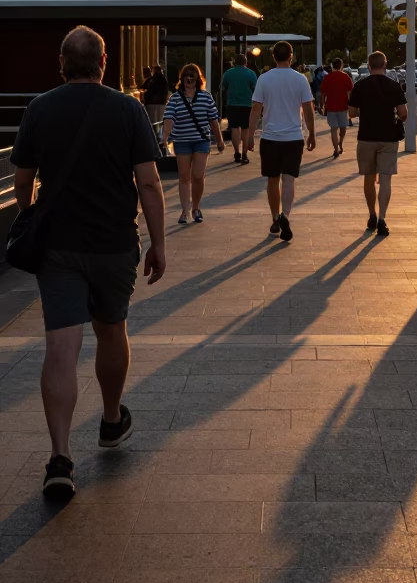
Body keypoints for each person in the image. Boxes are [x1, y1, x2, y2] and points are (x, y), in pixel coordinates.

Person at [10, 26, 166, 501]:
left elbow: (22, 180)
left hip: (58, 245)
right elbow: (149, 183)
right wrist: (159, 243)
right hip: (115, 243)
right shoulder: (128, 109)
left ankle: (60, 457)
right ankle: (112, 419)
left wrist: (30, 213)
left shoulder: (39, 108)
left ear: (62, 62)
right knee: (111, 330)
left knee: (61, 345)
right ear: (102, 63)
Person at [248, 40, 315, 242]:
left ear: (273, 57)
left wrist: (250, 134)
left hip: (270, 137)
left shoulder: (264, 79)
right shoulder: (301, 79)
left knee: (272, 179)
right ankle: (286, 214)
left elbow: (256, 109)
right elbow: (309, 108)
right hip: (293, 137)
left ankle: (275, 218)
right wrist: (311, 132)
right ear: (291, 56)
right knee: (288, 179)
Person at [348, 50, 407, 237]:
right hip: (388, 137)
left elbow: (351, 112)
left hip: (366, 136)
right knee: (386, 178)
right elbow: (403, 112)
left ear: (369, 65)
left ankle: (371, 215)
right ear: (385, 64)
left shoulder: (360, 85)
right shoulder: (393, 85)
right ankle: (382, 218)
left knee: (368, 177)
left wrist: (364, 112)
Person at [162, 64, 224, 225]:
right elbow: (169, 118)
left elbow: (213, 119)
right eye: (186, 76)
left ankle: (196, 207)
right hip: (182, 141)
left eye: (192, 76)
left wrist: (220, 140)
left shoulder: (206, 97)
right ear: (181, 79)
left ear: (198, 79)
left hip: (201, 140)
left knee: (198, 175)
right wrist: (166, 136)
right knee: (184, 177)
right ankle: (185, 210)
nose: (189, 79)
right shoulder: (175, 98)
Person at [221, 53, 257, 165]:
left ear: (234, 62)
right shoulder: (251, 74)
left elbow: (222, 87)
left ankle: (237, 153)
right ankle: (245, 154)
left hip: (232, 104)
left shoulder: (228, 73)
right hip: (247, 104)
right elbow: (256, 89)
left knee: (234, 128)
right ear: (245, 62)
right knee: (245, 129)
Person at [321, 57, 354, 158]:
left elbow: (323, 93)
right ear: (341, 65)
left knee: (333, 129)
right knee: (343, 128)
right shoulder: (345, 76)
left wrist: (322, 105)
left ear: (332, 66)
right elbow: (351, 90)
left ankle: (336, 148)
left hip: (331, 107)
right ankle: (340, 144)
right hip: (343, 106)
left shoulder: (327, 77)